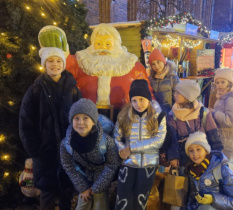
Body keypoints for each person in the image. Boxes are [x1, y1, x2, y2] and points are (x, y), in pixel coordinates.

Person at [19, 47, 81, 210]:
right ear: (44, 65)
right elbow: (25, 122)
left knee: (67, 192)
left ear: (64, 64)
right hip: (45, 153)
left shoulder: (73, 90)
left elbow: (82, 118)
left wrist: (77, 144)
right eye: (50, 61)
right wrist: (35, 151)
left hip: (68, 151)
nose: (55, 64)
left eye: (59, 60)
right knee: (46, 194)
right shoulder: (35, 90)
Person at [38, 24, 154, 108]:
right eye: (98, 43)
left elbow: (148, 93)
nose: (102, 47)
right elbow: (63, 63)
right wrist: (58, 49)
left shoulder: (133, 65)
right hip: (86, 120)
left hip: (123, 119)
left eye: (108, 44)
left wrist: (153, 110)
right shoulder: (81, 61)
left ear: (116, 45)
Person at [113, 79, 167, 210]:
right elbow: (117, 137)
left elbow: (158, 140)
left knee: (141, 197)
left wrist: (131, 148)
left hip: (148, 164)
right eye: (134, 100)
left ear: (148, 99)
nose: (138, 104)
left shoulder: (158, 116)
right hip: (128, 162)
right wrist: (122, 152)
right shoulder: (124, 115)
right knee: (123, 196)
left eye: (142, 99)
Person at [60, 98, 120, 210]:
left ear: (93, 121)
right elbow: (68, 166)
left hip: (102, 176)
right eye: (76, 118)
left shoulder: (106, 141)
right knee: (83, 203)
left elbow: (112, 164)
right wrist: (83, 188)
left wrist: (96, 188)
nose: (80, 122)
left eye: (85, 118)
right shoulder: (66, 144)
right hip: (82, 175)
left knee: (100, 202)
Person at [185, 132, 233, 210]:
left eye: (198, 149)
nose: (195, 154)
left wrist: (213, 199)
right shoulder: (191, 170)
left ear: (206, 150)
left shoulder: (222, 169)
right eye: (191, 151)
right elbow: (192, 198)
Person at [148, 48, 180, 113]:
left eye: (158, 62)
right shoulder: (151, 79)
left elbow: (178, 98)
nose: (156, 66)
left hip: (170, 113)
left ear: (163, 62)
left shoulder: (172, 77)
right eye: (153, 64)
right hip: (156, 113)